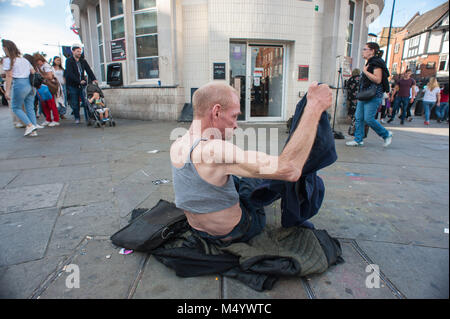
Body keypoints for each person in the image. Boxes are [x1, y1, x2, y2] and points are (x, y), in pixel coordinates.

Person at [170, 81, 332, 243]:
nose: (236, 125)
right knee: (273, 179)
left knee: (243, 177)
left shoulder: (178, 143)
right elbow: (290, 169)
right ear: (217, 112)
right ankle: (294, 216)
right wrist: (314, 106)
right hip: (238, 229)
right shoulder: (214, 150)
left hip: (199, 229)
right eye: (234, 116)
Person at [346, 42, 392, 148]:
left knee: (368, 118)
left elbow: (378, 79)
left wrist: (365, 72)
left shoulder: (376, 63)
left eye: (365, 49)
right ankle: (358, 139)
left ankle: (386, 134)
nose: (363, 51)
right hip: (364, 95)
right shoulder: (369, 63)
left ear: (372, 51)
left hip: (373, 95)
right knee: (359, 118)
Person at [2, 39, 39, 137]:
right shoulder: (24, 60)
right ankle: (34, 130)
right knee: (30, 108)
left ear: (6, 48)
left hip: (19, 84)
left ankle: (30, 125)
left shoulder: (7, 60)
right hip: (30, 84)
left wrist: (7, 91)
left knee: (15, 107)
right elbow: (33, 71)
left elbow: (9, 76)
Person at [64, 44, 97, 124]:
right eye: (78, 51)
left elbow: (88, 70)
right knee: (75, 103)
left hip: (83, 85)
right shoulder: (69, 61)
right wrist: (79, 81)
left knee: (86, 101)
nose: (79, 53)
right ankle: (77, 117)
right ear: (73, 52)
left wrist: (94, 79)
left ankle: (88, 118)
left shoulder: (83, 60)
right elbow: (69, 73)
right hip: (73, 85)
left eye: (80, 51)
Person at [33, 53, 60, 126]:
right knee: (44, 104)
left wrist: (41, 76)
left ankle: (55, 119)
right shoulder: (40, 66)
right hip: (43, 87)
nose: (38, 63)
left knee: (51, 104)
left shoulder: (46, 66)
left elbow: (50, 76)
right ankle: (48, 119)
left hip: (48, 86)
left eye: (38, 61)